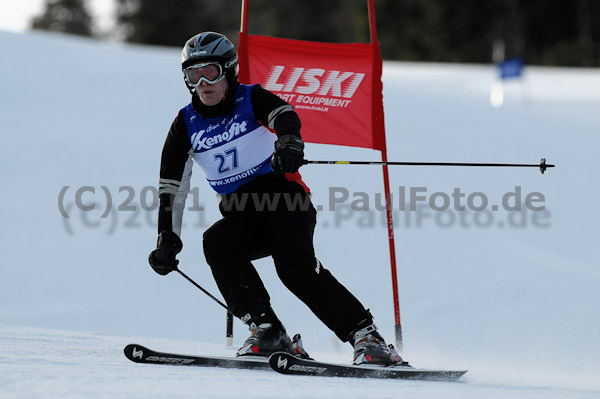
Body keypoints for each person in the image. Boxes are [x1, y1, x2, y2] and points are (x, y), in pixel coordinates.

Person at [148, 31, 406, 366]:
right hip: (242, 216)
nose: (202, 83)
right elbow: (171, 186)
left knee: (294, 268)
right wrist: (167, 237)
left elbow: (284, 115)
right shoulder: (185, 123)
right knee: (217, 241)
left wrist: (289, 143)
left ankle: (367, 336)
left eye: (209, 72)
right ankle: (267, 329)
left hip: (286, 203)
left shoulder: (251, 98)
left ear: (228, 69)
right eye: (192, 75)